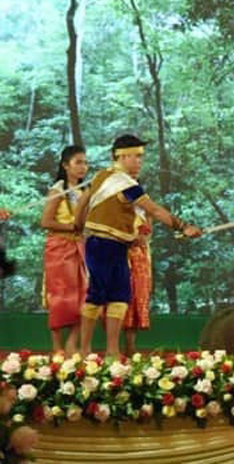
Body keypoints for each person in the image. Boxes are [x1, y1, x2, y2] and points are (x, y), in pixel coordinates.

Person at [74, 135, 202, 357]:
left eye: (141, 157)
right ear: (122, 156)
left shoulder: (101, 176)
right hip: (102, 244)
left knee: (120, 296)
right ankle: (85, 350)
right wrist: (183, 226)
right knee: (97, 295)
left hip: (115, 246)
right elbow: (154, 210)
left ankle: (112, 351)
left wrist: (78, 225)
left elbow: (83, 202)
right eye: (136, 156)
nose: (140, 161)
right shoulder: (125, 184)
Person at [39, 145, 89, 354]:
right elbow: (45, 221)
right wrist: (72, 227)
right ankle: (57, 347)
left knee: (86, 296)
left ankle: (72, 342)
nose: (83, 167)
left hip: (81, 247)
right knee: (60, 297)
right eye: (78, 162)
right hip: (60, 248)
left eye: (85, 163)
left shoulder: (86, 190)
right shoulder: (58, 190)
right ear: (65, 165)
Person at [122, 207, 153, 356]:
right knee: (122, 302)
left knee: (137, 302)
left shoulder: (145, 211)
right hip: (123, 257)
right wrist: (132, 238)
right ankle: (113, 347)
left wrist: (143, 239)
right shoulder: (116, 207)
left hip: (141, 261)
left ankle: (131, 345)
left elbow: (148, 235)